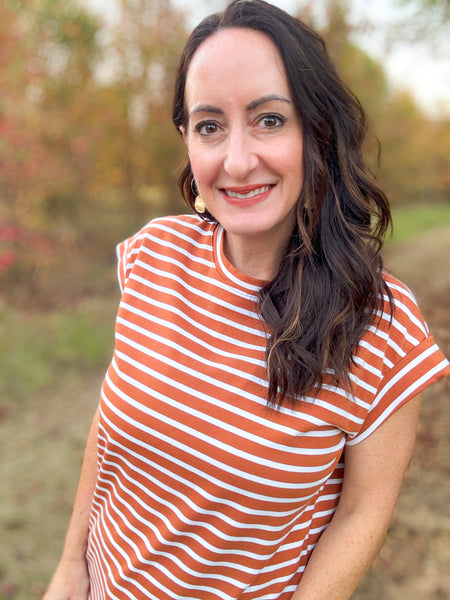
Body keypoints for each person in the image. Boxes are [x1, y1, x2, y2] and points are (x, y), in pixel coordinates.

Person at [44, 1, 449, 598]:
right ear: (187, 140)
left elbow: (362, 511)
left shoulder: (380, 324)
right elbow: (111, 426)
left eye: (268, 120)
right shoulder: (153, 256)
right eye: (210, 126)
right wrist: (71, 568)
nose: (237, 160)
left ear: (317, 130)